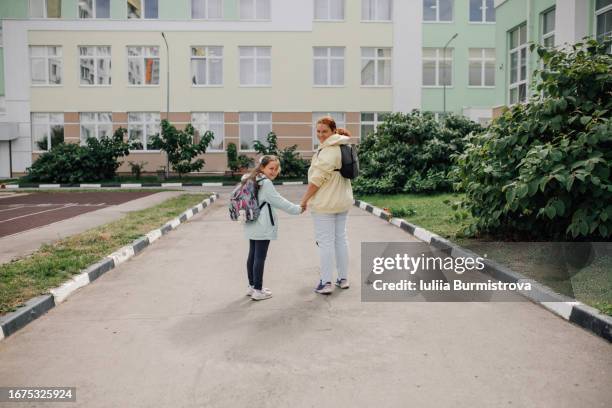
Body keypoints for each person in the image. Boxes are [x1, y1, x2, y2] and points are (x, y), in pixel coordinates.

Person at [299, 117, 354, 294]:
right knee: (340, 239)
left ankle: (326, 282)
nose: (320, 135)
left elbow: (317, 179)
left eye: (324, 131)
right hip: (342, 201)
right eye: (318, 131)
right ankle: (343, 278)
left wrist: (305, 199)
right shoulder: (343, 146)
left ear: (333, 131)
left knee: (326, 243)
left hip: (325, 203)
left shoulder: (330, 149)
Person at [242, 155, 303, 301]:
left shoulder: (251, 178)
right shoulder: (266, 183)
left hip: (251, 221)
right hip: (262, 224)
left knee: (253, 255)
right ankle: (258, 290)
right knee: (259, 257)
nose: (274, 171)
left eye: (276, 169)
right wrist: (297, 209)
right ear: (262, 167)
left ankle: (252, 286)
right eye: (271, 168)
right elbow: (278, 201)